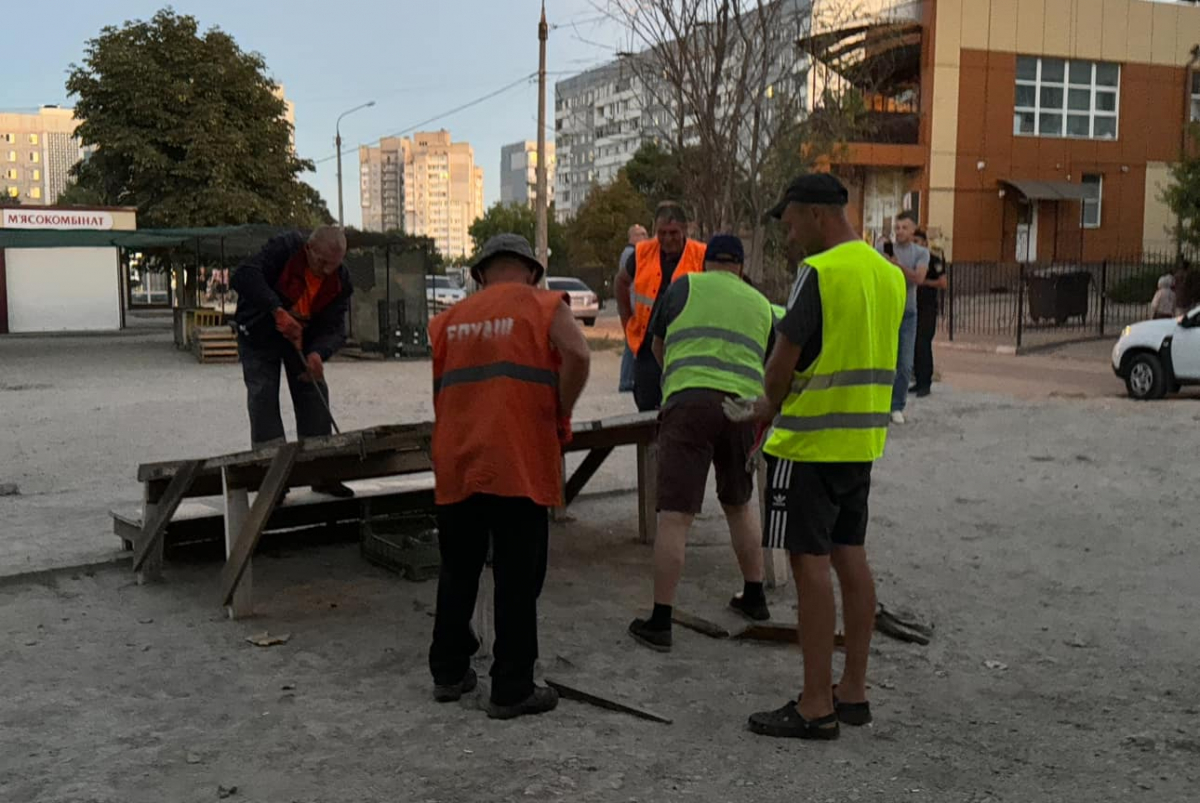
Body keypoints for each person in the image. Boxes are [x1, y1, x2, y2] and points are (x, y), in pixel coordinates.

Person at [726, 174, 905, 740]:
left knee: (810, 568)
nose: (792, 235)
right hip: (859, 445)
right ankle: (852, 691)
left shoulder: (819, 274)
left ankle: (813, 704)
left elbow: (783, 362)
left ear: (818, 215)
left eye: (793, 222)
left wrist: (763, 406)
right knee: (851, 557)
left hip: (807, 445)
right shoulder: (889, 274)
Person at [427, 233, 591, 720]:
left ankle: (449, 672)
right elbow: (579, 355)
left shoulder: (448, 321)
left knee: (458, 568)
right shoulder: (542, 306)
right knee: (517, 575)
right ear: (532, 271)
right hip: (518, 455)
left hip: (458, 458)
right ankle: (511, 686)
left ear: (479, 273)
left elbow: (443, 392)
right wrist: (561, 410)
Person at [627, 235, 776, 652]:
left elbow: (656, 345)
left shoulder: (681, 288)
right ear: (741, 268)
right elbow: (773, 361)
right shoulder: (760, 303)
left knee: (675, 516)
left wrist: (681, 380)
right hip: (740, 410)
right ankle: (755, 596)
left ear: (706, 262)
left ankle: (660, 620)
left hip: (689, 405)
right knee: (739, 503)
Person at [231, 226, 355, 498]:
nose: (324, 271)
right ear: (309, 249)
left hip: (302, 339)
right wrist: (277, 310)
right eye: (320, 263)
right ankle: (273, 480)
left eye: (332, 266)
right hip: (259, 332)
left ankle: (321, 471)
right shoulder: (285, 248)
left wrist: (318, 354)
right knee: (263, 395)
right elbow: (243, 276)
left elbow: (336, 327)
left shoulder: (340, 280)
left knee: (314, 390)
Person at [614, 202, 708, 412]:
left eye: (673, 233)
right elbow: (621, 283)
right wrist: (628, 323)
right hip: (647, 349)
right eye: (661, 233)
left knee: (684, 412)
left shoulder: (701, 255)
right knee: (647, 413)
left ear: (685, 229)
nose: (667, 239)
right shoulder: (642, 252)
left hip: (687, 350)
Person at [879, 210, 928, 423]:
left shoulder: (920, 253)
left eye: (904, 228)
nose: (899, 231)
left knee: (905, 363)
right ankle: (880, 404)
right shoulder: (882, 248)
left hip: (908, 313)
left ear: (913, 229)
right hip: (886, 310)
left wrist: (897, 266)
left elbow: (918, 278)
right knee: (883, 360)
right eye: (897, 228)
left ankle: (897, 405)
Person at [911, 229, 947, 397]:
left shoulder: (934, 260)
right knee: (915, 346)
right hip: (913, 307)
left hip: (927, 308)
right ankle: (918, 381)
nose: (913, 245)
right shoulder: (912, 261)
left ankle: (926, 383)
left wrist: (923, 281)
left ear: (924, 243)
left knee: (923, 345)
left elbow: (943, 282)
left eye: (917, 242)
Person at [617, 224, 649, 393]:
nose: (645, 237)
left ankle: (628, 378)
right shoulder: (632, 254)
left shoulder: (628, 254)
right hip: (635, 306)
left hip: (632, 305)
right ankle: (627, 380)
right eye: (641, 234)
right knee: (632, 344)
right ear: (632, 237)